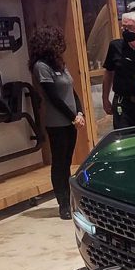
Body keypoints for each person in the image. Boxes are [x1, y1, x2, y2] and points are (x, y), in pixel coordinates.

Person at [30, 26, 85, 219]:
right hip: (57, 123)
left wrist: (80, 112)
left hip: (72, 121)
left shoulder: (59, 65)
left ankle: (69, 199)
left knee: (68, 162)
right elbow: (53, 97)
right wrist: (72, 116)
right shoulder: (41, 67)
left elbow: (72, 91)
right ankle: (63, 203)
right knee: (59, 162)